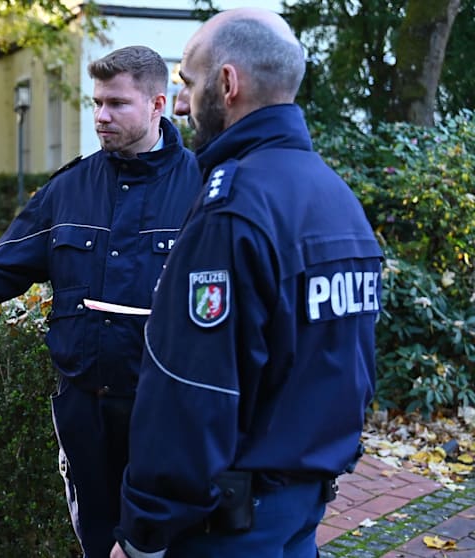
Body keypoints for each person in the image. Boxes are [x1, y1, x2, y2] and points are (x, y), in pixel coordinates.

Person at [0, 46, 203, 557]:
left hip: (161, 411)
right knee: (97, 541)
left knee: (163, 546)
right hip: (84, 411)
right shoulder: (70, 188)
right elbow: (4, 265)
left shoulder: (201, 189)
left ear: (159, 103)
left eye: (117, 103)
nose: (100, 116)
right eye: (96, 103)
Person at [110, 8, 383, 558]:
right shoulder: (337, 199)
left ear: (227, 84)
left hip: (227, 527)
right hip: (300, 510)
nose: (180, 103)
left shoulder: (233, 207)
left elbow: (191, 390)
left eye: (186, 82)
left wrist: (144, 532)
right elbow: (352, 367)